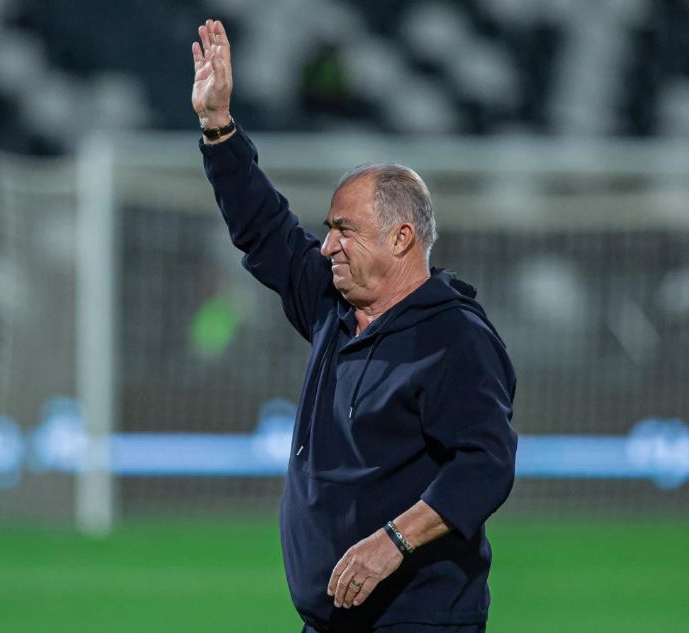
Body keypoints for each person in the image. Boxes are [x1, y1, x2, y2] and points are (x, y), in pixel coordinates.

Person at [192, 19, 517, 633]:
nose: (327, 246)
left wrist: (394, 540)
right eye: (329, 229)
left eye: (346, 230)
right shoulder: (333, 306)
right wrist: (218, 128)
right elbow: (265, 229)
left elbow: (486, 463)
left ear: (401, 238)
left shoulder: (455, 338)